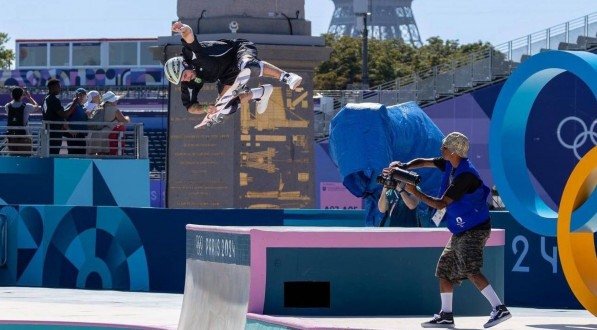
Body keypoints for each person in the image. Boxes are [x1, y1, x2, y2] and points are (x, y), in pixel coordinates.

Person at [397, 132, 511, 329]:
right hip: (461, 229)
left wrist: (416, 193)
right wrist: (403, 166)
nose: (441, 150)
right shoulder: (450, 163)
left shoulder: (465, 175)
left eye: (444, 147)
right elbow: (424, 162)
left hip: (475, 229)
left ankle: (499, 308)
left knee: (470, 269)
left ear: (453, 152)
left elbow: (440, 204)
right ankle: (446, 315)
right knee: (444, 270)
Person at [164, 21, 302, 120]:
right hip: (226, 76)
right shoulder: (187, 83)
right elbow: (190, 107)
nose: (187, 79)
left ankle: (287, 77)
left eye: (185, 75)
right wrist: (206, 109)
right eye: (183, 80)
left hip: (238, 51)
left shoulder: (192, 54)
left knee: (248, 66)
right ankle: (260, 93)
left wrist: (182, 28)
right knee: (224, 108)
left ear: (185, 64)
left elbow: (188, 35)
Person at [87, 91, 130, 155]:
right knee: (108, 155)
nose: (116, 101)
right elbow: (124, 121)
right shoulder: (114, 109)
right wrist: (127, 117)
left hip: (98, 135)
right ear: (111, 101)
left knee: (100, 154)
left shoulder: (98, 108)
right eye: (115, 100)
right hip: (111, 136)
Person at [41, 79, 78, 154]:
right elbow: (64, 114)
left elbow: (60, 113)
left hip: (48, 131)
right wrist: (74, 103)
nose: (60, 88)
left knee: (47, 154)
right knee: (53, 154)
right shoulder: (53, 99)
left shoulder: (46, 98)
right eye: (58, 86)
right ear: (52, 87)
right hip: (54, 133)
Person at [3, 87, 40, 154]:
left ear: (12, 95)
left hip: (11, 137)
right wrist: (29, 97)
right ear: (22, 96)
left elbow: (11, 103)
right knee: (26, 158)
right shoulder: (27, 106)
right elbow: (37, 107)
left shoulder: (7, 106)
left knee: (13, 158)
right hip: (24, 137)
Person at [63, 88, 89, 155]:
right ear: (76, 96)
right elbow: (63, 117)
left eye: (83, 95)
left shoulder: (82, 107)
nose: (81, 97)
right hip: (73, 136)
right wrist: (69, 130)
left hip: (81, 135)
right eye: (80, 95)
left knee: (82, 155)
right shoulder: (72, 105)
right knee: (73, 155)